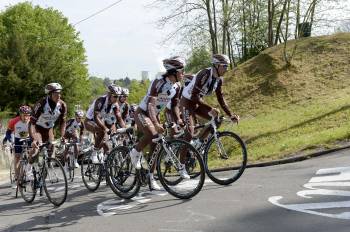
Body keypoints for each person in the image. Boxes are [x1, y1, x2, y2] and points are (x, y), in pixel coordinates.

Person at [130, 56, 190, 190]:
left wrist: (179, 120)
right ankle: (135, 151)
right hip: (142, 113)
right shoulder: (159, 82)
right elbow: (151, 105)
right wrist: (156, 123)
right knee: (152, 134)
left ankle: (150, 177)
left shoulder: (177, 86)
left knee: (156, 146)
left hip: (154, 115)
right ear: (173, 71)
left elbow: (174, 106)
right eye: (182, 70)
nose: (184, 73)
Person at [180, 54, 240, 143]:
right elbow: (193, 96)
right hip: (187, 102)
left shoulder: (219, 80)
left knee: (217, 120)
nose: (226, 69)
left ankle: (199, 143)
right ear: (216, 65)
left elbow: (221, 98)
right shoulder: (205, 74)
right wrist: (210, 108)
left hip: (197, 103)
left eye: (227, 66)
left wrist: (230, 114)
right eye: (224, 66)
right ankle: (182, 157)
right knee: (189, 133)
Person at [27, 83, 67, 178]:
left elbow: (63, 123)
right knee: (36, 148)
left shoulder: (62, 105)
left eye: (59, 93)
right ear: (49, 94)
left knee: (52, 146)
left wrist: (62, 136)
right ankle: (28, 166)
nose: (59, 95)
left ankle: (43, 166)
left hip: (48, 129)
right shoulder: (41, 103)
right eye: (56, 93)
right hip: (36, 128)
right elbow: (32, 123)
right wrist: (34, 139)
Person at [85, 84, 126, 163]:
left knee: (106, 146)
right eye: (115, 96)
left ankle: (104, 165)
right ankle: (94, 153)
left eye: (118, 96)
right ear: (109, 94)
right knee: (102, 131)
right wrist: (105, 128)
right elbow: (96, 117)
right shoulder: (100, 100)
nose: (116, 99)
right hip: (90, 121)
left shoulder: (115, 104)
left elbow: (119, 118)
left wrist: (125, 129)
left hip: (100, 122)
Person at [10, 105, 32, 187]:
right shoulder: (14, 121)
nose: (26, 117)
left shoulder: (32, 121)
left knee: (32, 154)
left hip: (29, 138)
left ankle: (28, 173)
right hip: (18, 139)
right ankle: (16, 178)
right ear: (20, 114)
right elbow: (8, 132)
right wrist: (11, 141)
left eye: (27, 115)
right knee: (17, 157)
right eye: (24, 115)